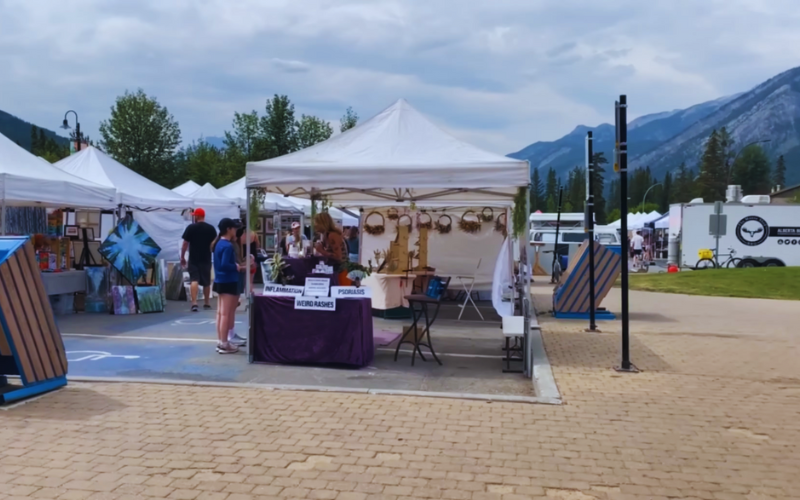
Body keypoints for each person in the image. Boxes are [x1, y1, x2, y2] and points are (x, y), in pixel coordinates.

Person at [212, 218, 244, 354]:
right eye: (234, 228)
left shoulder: (218, 244)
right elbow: (225, 264)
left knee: (220, 313)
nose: (236, 230)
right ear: (229, 229)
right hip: (228, 280)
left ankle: (221, 340)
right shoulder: (227, 246)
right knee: (225, 313)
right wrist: (236, 266)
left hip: (220, 280)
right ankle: (224, 342)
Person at [180, 208, 217, 312]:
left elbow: (185, 244)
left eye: (194, 215)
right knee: (206, 281)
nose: (194, 217)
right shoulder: (211, 229)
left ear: (197, 216)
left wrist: (182, 257)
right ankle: (207, 303)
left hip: (194, 258)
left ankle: (194, 303)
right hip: (206, 257)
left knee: (194, 279)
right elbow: (214, 243)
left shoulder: (191, 228)